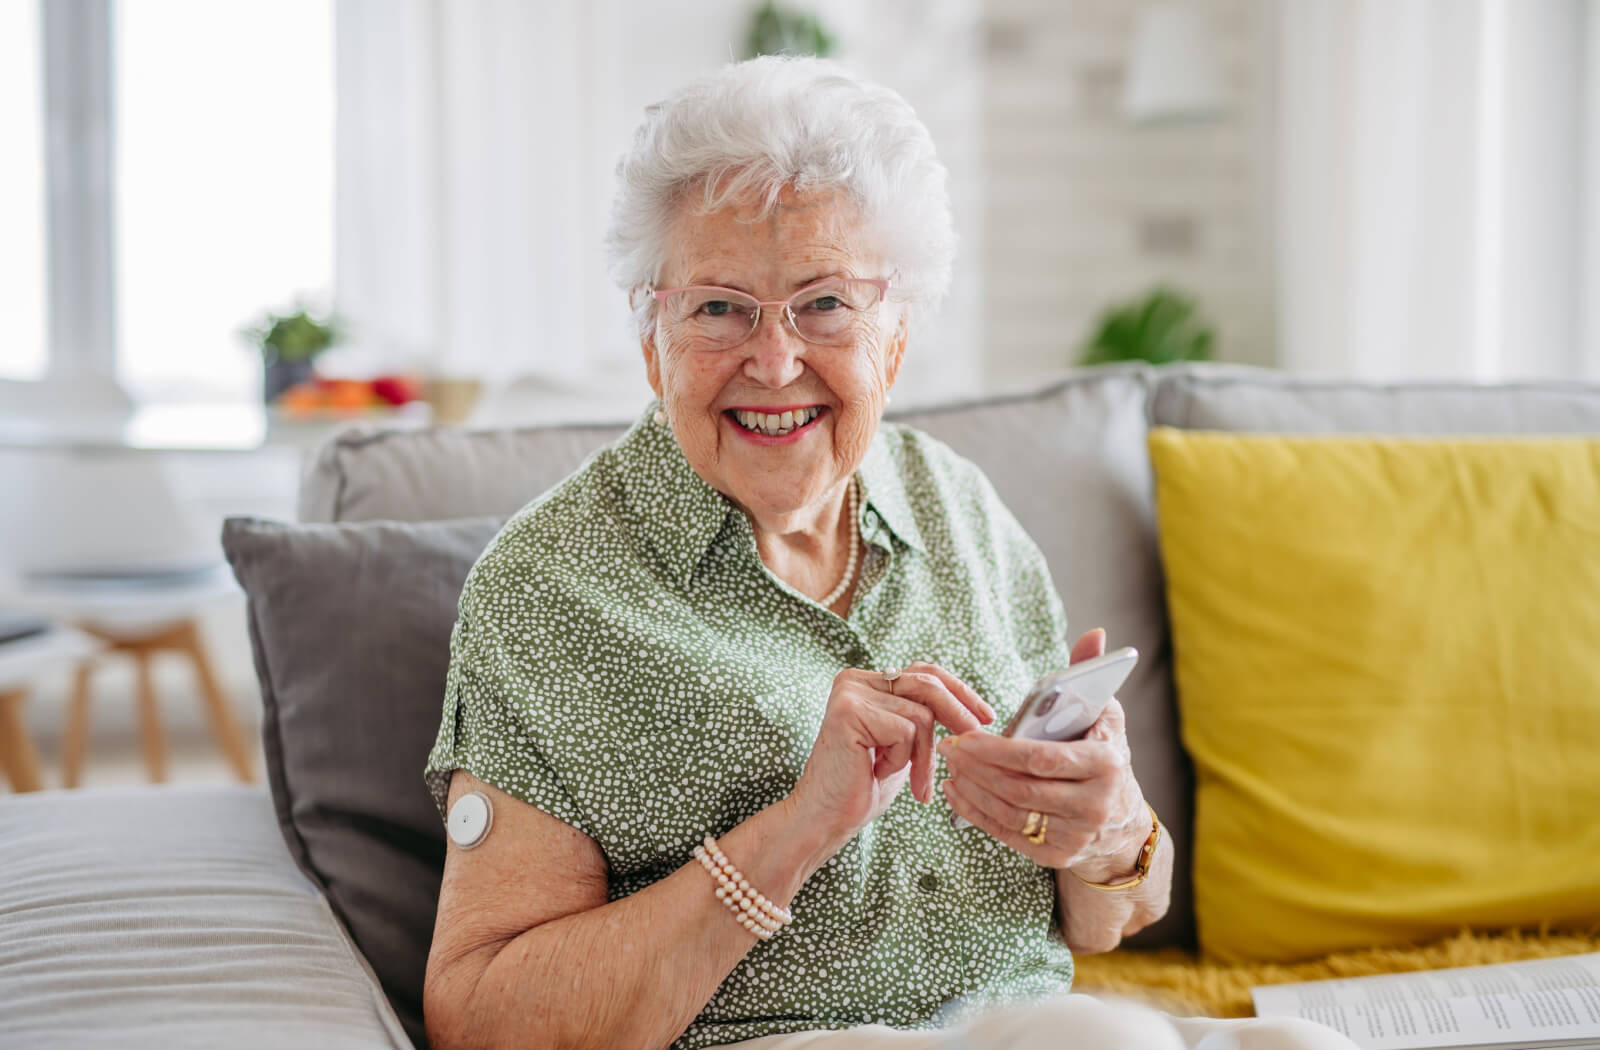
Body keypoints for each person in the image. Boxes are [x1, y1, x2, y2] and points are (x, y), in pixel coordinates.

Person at [420, 56, 1357, 1050]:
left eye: (825, 304)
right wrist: (794, 832)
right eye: (717, 307)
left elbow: (1115, 913)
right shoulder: (549, 591)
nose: (773, 360)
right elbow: (481, 1020)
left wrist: (1106, 829)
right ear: (651, 339)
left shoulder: (960, 510)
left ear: (896, 338)